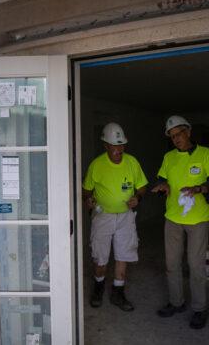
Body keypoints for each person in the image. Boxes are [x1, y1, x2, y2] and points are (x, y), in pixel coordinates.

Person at [151, 115, 209, 329]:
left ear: (188, 132)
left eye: (179, 134)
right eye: (172, 136)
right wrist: (162, 186)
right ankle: (176, 302)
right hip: (173, 217)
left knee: (196, 265)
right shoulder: (169, 157)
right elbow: (163, 179)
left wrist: (198, 189)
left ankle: (199, 309)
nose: (176, 139)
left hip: (198, 218)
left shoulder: (205, 154)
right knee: (172, 264)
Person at [83, 122, 148, 312]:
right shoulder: (97, 165)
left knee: (123, 254)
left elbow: (142, 186)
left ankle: (118, 293)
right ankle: (98, 287)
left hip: (126, 217)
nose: (119, 149)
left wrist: (138, 197)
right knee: (100, 257)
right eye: (114, 145)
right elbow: (86, 191)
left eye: (121, 145)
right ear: (106, 146)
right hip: (103, 217)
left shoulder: (132, 162)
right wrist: (89, 200)